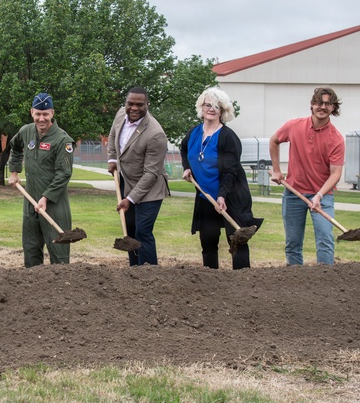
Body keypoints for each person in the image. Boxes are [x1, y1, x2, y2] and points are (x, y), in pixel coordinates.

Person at [180, 87, 263, 269]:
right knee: (208, 242)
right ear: (201, 107)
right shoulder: (193, 133)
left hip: (230, 195)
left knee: (237, 241)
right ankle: (212, 282)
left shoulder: (228, 137)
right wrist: (187, 168)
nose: (211, 109)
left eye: (216, 106)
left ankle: (241, 281)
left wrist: (222, 195)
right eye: (207, 105)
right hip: (205, 196)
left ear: (223, 111)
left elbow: (230, 171)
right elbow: (184, 149)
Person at [269, 86, 345, 265]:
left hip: (323, 195)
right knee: (293, 243)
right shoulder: (294, 126)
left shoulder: (336, 139)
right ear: (312, 105)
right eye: (319, 103)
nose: (322, 107)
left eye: (327, 104)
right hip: (294, 193)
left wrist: (319, 195)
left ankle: (325, 281)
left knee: (325, 240)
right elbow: (274, 140)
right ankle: (296, 281)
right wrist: (277, 170)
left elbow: (335, 174)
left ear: (333, 108)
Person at [7, 92, 75, 266]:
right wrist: (14, 171)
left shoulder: (62, 140)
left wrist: (45, 198)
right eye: (38, 114)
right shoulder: (26, 131)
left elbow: (64, 174)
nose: (41, 118)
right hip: (30, 202)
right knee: (31, 249)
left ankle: (61, 289)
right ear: (32, 112)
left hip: (54, 205)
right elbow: (14, 147)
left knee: (59, 254)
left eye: (45, 114)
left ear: (52, 113)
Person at [106, 86, 170, 265]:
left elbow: (151, 173)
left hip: (151, 189)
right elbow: (112, 136)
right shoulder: (120, 115)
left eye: (139, 104)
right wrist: (112, 158)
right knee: (131, 229)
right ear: (125, 103)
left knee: (143, 232)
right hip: (128, 182)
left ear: (147, 105)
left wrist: (130, 199)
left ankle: (149, 274)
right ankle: (135, 271)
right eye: (130, 103)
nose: (134, 108)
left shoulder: (156, 134)